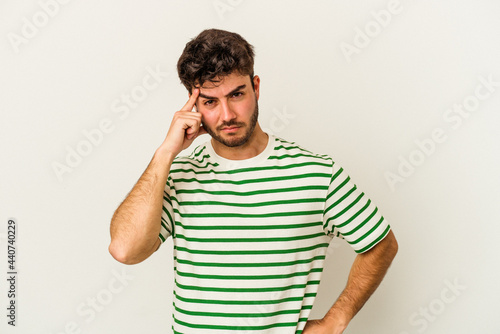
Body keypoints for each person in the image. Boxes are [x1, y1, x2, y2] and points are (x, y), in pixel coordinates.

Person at [109, 28, 398, 334]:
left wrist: (336, 319)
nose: (227, 114)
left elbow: (381, 244)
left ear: (255, 87)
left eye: (237, 94)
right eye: (209, 102)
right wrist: (165, 153)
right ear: (193, 107)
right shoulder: (178, 175)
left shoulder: (317, 174)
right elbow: (125, 250)